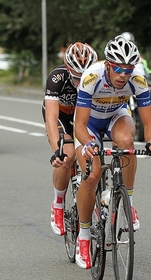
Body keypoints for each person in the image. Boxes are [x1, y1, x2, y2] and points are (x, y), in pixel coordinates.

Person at [74, 36, 151, 269]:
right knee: (92, 176)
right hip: (89, 124)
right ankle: (83, 237)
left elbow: (148, 122)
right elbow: (80, 126)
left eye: (128, 69)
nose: (123, 74)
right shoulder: (92, 77)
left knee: (126, 143)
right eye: (119, 69)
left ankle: (127, 202)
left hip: (116, 116)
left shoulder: (138, 81)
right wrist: (89, 145)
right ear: (108, 65)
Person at [42, 42, 98, 236]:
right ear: (67, 69)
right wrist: (57, 147)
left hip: (84, 118)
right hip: (62, 117)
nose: (81, 81)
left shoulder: (99, 76)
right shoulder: (56, 78)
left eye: (85, 77)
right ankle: (58, 203)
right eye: (76, 78)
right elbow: (51, 117)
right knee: (67, 156)